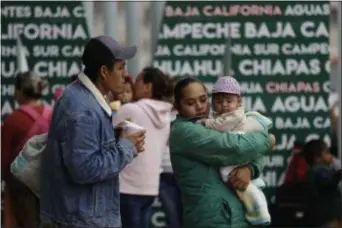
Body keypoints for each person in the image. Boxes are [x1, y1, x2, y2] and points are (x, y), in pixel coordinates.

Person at [39, 36, 146, 228]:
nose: (125, 75)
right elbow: (85, 169)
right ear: (104, 71)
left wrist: (114, 136)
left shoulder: (82, 98)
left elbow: (85, 148)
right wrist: (127, 146)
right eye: (121, 68)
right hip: (82, 220)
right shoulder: (83, 108)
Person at [169, 77, 275, 228]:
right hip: (210, 218)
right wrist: (267, 140)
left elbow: (250, 152)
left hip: (235, 214)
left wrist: (249, 169)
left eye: (203, 99)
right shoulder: (185, 131)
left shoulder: (216, 121)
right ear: (177, 106)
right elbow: (235, 148)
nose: (199, 106)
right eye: (190, 103)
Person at [112, 67, 173, 228]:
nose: (132, 85)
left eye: (138, 81)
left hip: (127, 187)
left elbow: (107, 134)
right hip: (150, 188)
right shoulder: (165, 116)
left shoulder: (131, 110)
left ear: (148, 87)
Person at [1, 71, 52, 228]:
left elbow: (4, 158)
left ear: (19, 91)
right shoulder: (53, 114)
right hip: (50, 181)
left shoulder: (14, 120)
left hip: (22, 186)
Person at [159, 76, 183, 228]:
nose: (174, 97)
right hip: (163, 176)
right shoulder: (157, 113)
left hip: (185, 174)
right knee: (173, 220)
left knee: (190, 219)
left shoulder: (189, 115)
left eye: (177, 93)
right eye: (171, 93)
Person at [301, 139, 341, 227]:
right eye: (327, 152)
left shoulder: (323, 170)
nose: (331, 156)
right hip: (326, 218)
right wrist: (339, 173)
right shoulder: (318, 170)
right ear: (317, 157)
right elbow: (328, 183)